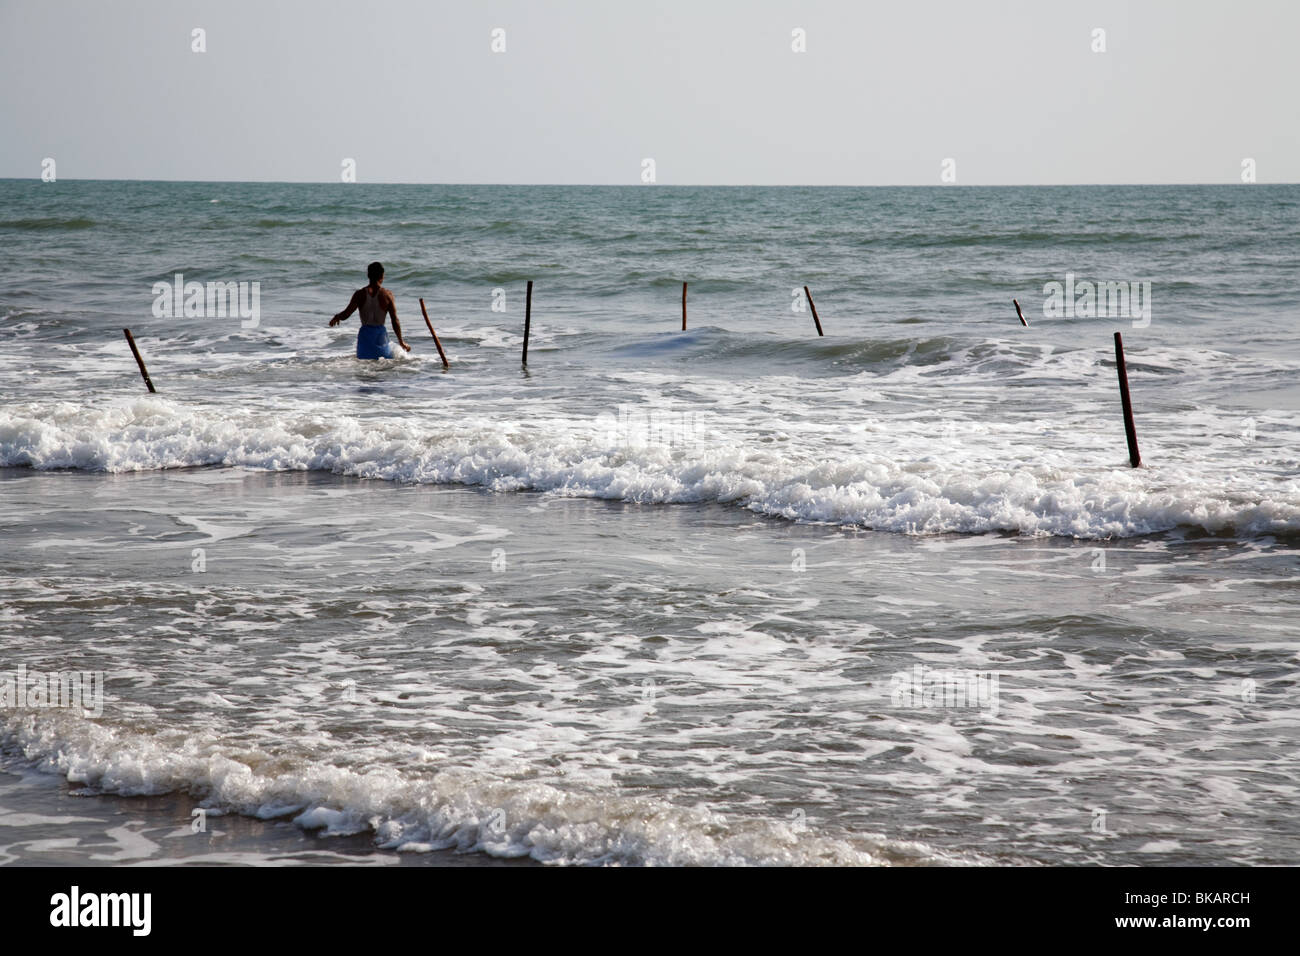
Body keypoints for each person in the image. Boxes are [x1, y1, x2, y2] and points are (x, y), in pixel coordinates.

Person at [328, 262, 412, 358]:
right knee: (384, 365)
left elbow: (346, 314)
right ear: (382, 276)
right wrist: (401, 341)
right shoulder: (387, 295)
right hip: (380, 338)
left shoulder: (359, 294)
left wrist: (336, 317)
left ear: (368, 275)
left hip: (365, 340)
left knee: (364, 366)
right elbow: (395, 320)